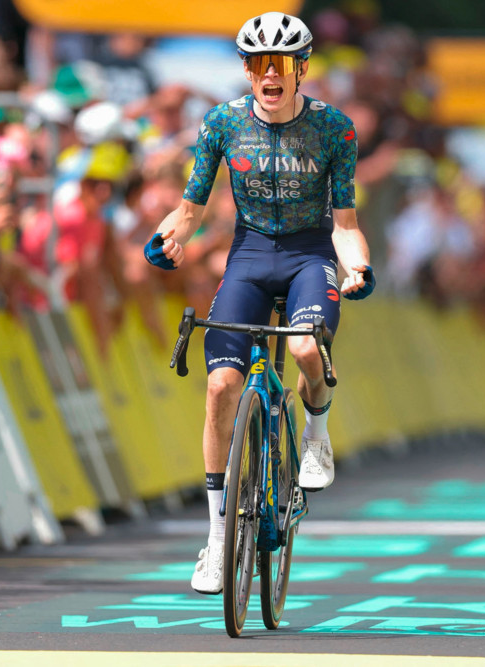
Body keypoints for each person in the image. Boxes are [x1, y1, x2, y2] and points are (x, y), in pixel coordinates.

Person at [143, 11, 374, 596]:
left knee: (302, 349)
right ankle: (218, 538)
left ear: (301, 70)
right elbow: (192, 206)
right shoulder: (221, 122)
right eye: (259, 64)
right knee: (220, 386)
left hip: (308, 255)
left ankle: (316, 430)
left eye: (282, 64)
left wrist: (359, 266)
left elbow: (345, 222)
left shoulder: (334, 129)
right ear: (247, 70)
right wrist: (169, 235)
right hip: (248, 256)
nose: (270, 74)